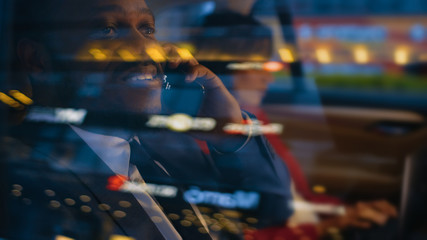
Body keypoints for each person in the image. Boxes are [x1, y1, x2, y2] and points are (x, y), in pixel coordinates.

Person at [1, 0, 294, 239]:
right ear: (37, 59)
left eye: (147, 29)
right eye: (107, 30)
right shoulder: (22, 179)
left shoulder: (171, 145)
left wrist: (230, 134)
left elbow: (272, 211)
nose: (146, 49)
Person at [198, 9, 398, 240]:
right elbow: (240, 234)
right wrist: (329, 226)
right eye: (257, 65)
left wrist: (349, 211)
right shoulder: (214, 142)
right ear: (225, 71)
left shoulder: (254, 117)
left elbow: (299, 197)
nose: (269, 78)